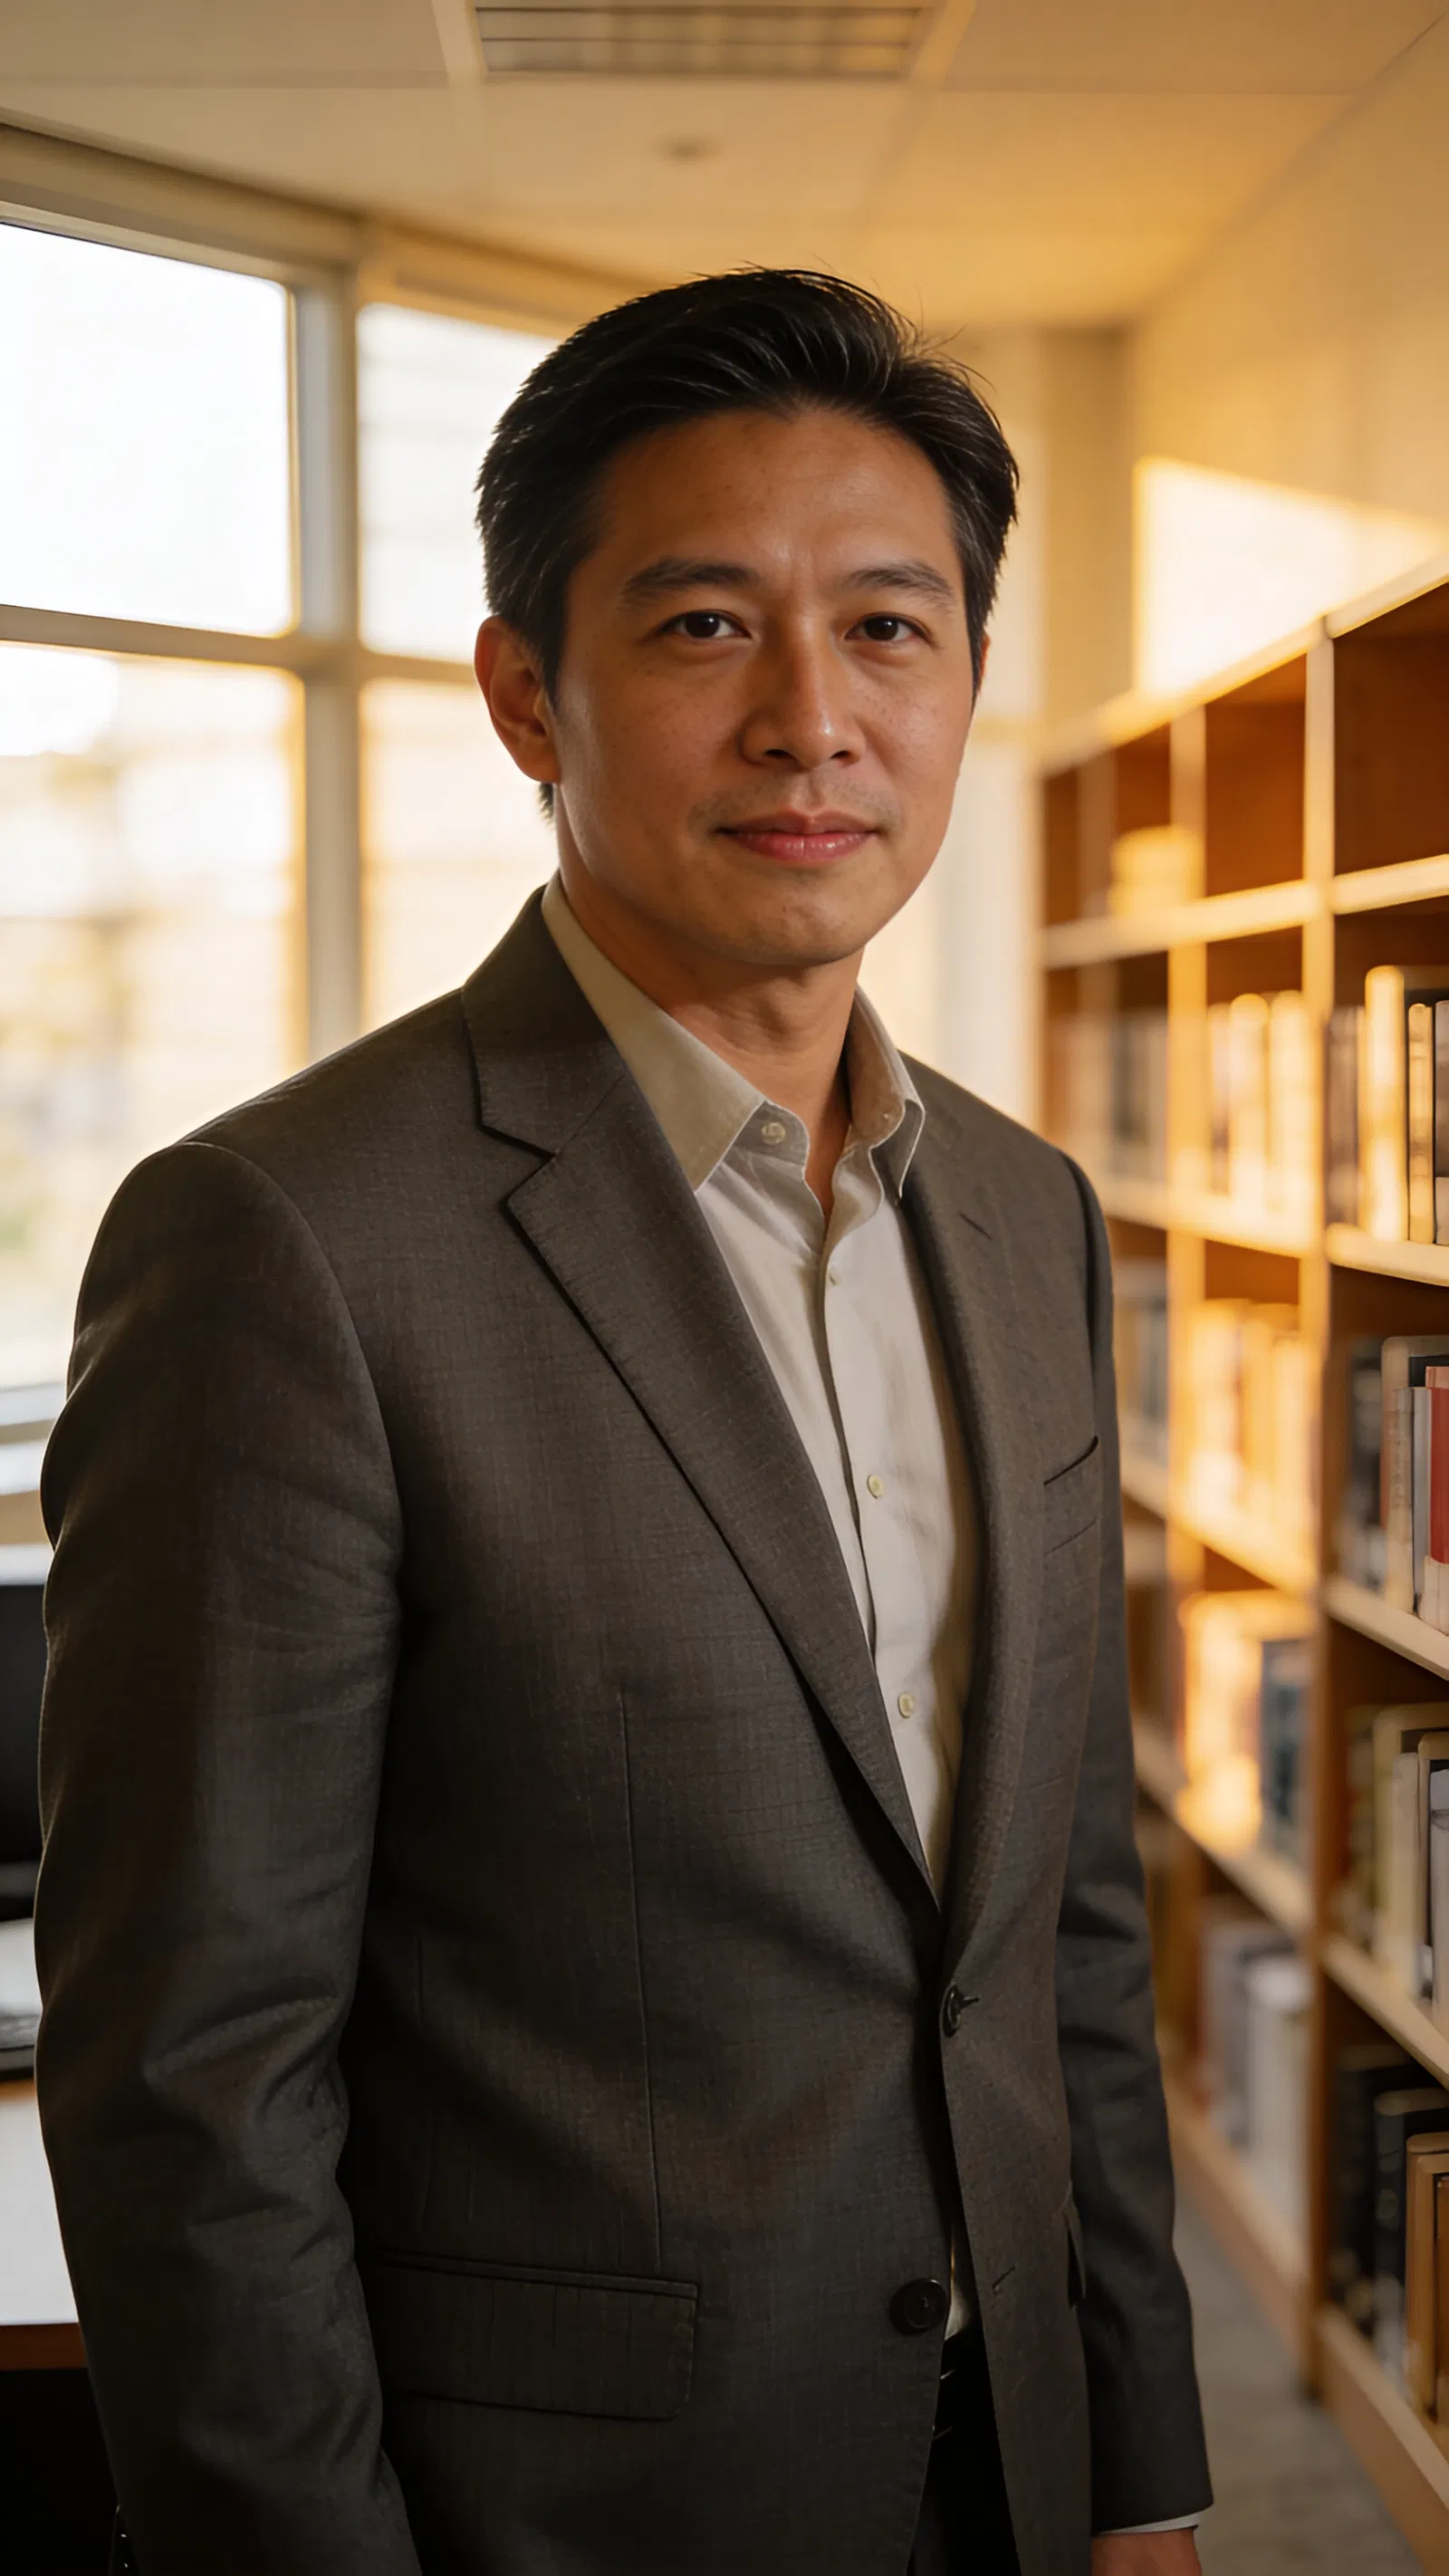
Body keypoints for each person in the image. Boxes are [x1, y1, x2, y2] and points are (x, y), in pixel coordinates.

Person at [35, 270, 1210, 2576]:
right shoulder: (285, 1242)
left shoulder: (1025, 1215)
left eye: (886, 629)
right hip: (569, 2514)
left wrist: (1141, 2472)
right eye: (701, 629)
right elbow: (192, 2075)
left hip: (1016, 2471)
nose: (810, 721)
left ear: (966, 681)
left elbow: (1064, 1929)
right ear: (524, 697)